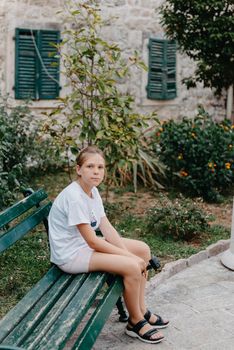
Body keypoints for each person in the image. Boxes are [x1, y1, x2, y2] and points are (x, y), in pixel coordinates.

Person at [48, 145, 169, 344]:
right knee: (131, 266)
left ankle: (141, 309)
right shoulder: (75, 197)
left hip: (84, 246)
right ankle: (135, 322)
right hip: (71, 255)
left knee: (142, 249)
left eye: (100, 167)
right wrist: (129, 258)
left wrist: (129, 252)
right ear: (78, 169)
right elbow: (93, 241)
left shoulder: (92, 191)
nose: (96, 171)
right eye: (90, 166)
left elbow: (106, 228)